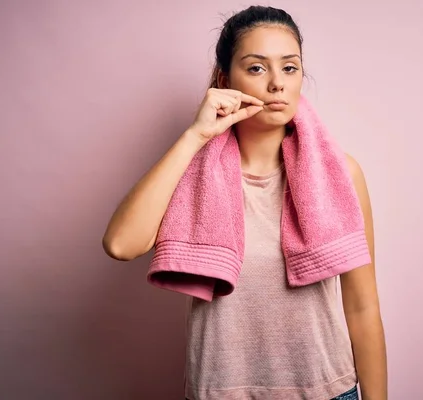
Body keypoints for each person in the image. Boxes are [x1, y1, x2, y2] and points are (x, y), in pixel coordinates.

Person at [102, 5, 387, 400]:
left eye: (290, 67)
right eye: (256, 68)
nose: (277, 84)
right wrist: (195, 136)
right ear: (224, 79)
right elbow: (120, 244)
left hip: (328, 393)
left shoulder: (341, 174)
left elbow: (362, 307)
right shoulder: (190, 174)